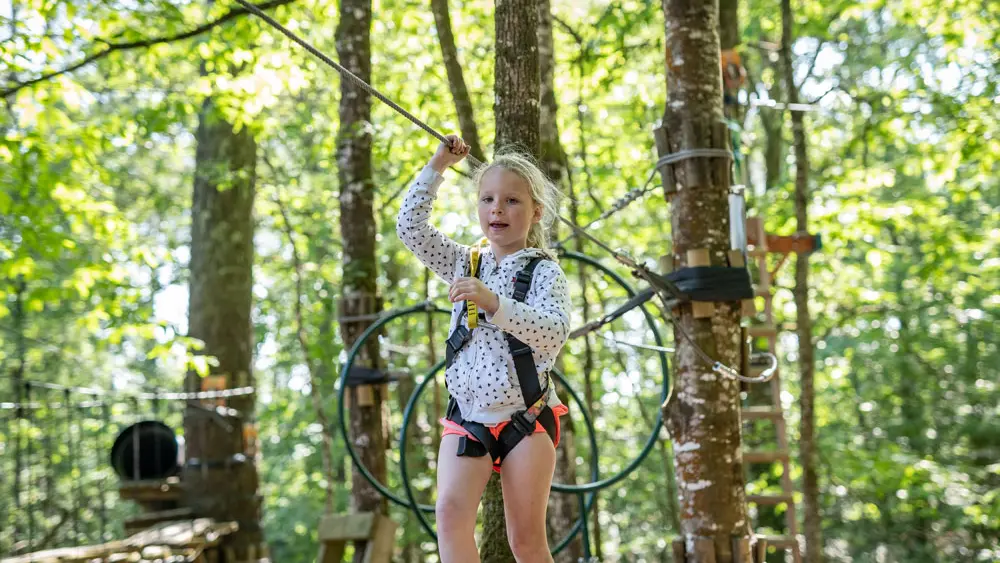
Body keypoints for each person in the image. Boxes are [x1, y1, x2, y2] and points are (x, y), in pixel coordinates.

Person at [396, 136, 571, 563]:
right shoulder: (464, 262)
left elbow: (553, 333)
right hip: (467, 418)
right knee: (450, 517)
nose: (497, 209)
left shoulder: (544, 272)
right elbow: (410, 229)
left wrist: (494, 303)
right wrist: (438, 165)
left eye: (512, 200)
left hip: (525, 419)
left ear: (535, 212)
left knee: (525, 540)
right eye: (487, 199)